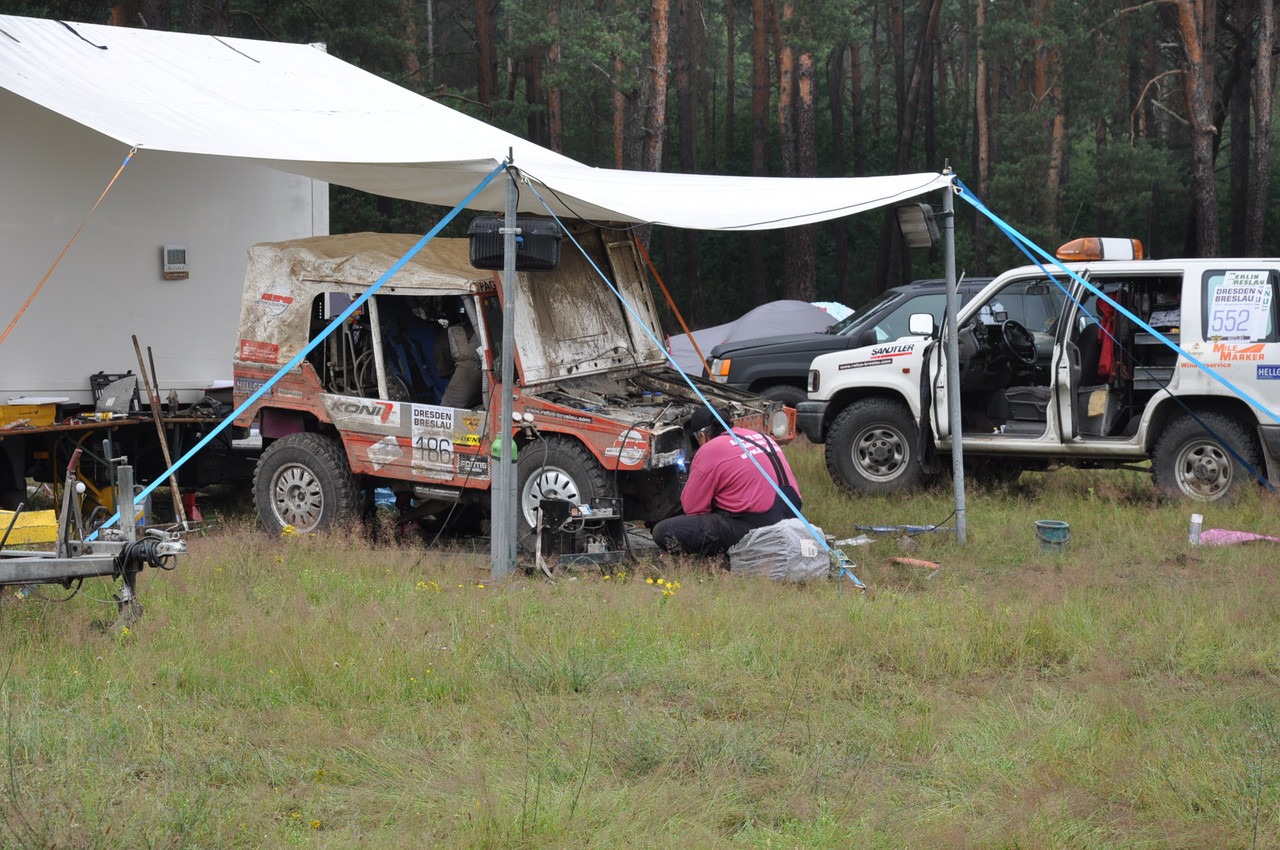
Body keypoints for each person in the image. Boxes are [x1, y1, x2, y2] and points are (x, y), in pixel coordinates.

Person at [651, 406, 802, 556]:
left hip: (758, 526)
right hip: (792, 516)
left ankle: (720, 558)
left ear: (702, 436)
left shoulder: (710, 448)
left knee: (664, 531)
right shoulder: (761, 437)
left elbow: (692, 508)